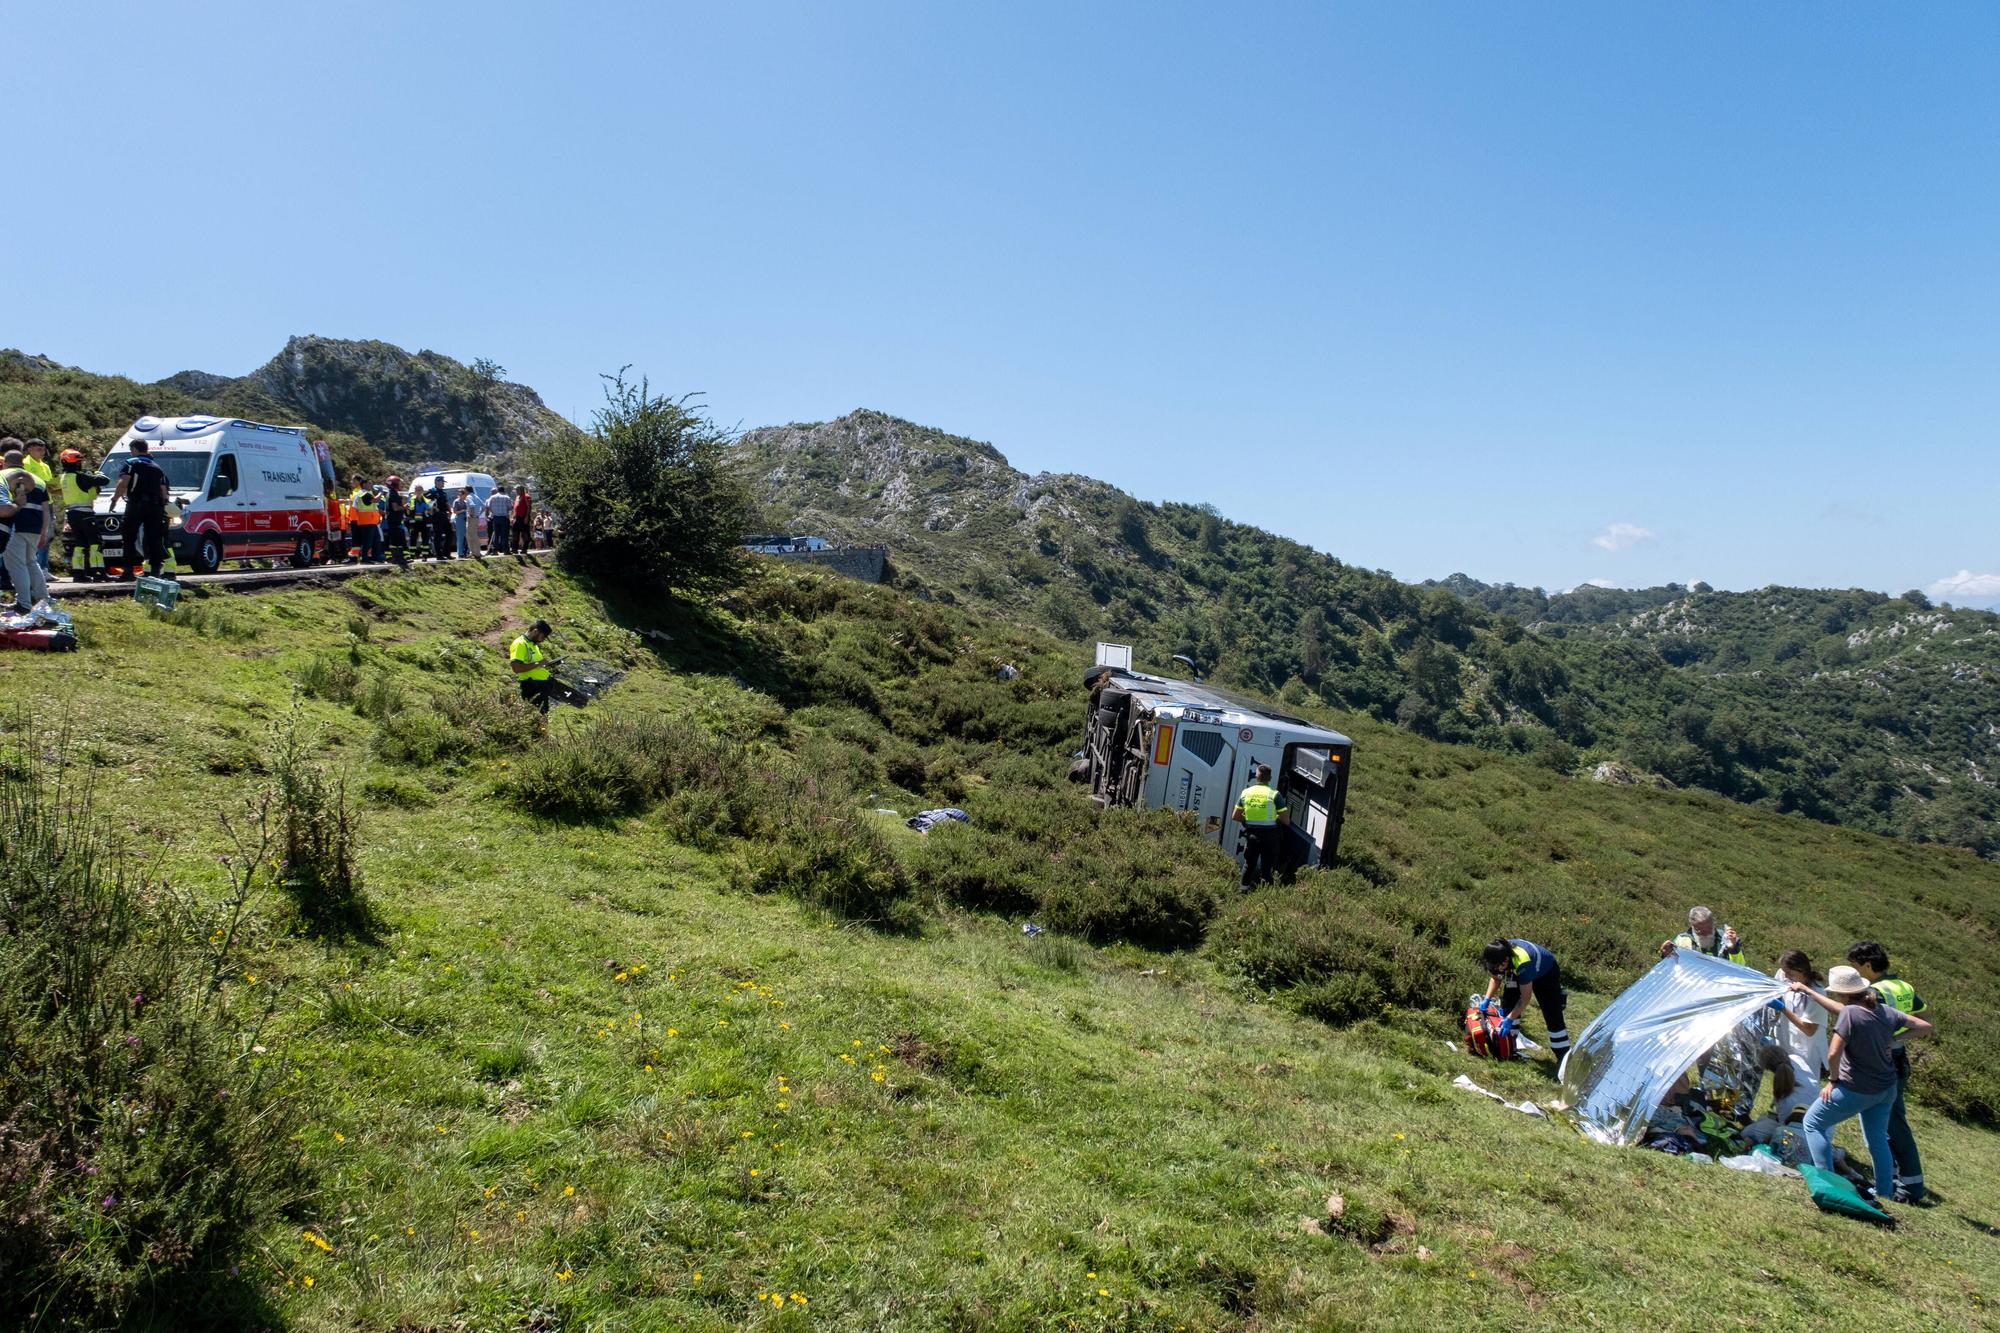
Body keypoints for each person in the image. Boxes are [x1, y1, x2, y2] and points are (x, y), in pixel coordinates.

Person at [1791, 964, 1933, 1205]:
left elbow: (1834, 1053)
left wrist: (1833, 1080)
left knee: (1813, 1123)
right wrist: (1895, 1038)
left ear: (1842, 993)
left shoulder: (1850, 1014)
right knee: (1877, 1140)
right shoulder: (1884, 1010)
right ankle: (1885, 1193)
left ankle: (1828, 1182)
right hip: (1887, 1088)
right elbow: (1925, 1026)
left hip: (1856, 1088)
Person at [1849, 941, 1930, 1204]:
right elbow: (1924, 1019)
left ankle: (1909, 1187)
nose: (1855, 972)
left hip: (1882, 1062)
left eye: (1855, 966)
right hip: (1898, 1057)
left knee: (1890, 1123)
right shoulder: (1904, 986)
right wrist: (1898, 1038)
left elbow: (1867, 1024)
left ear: (1868, 965)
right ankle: (1894, 1179)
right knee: (1890, 1121)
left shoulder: (1875, 991)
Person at [1478, 937, 1570, 1061]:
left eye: (1500, 966)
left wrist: (1510, 1019)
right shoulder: (1495, 956)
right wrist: (1487, 999)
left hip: (1545, 972)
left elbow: (1525, 998)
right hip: (1516, 969)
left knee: (1552, 1013)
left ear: (1506, 959)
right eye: (1495, 967)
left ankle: (1563, 1056)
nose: (1498, 969)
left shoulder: (1522, 962)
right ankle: (1510, 1047)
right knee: (1509, 1003)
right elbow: (1496, 978)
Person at [1771, 949, 1829, 1122]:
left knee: (1804, 1086)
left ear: (1801, 970)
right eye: (1784, 972)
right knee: (1783, 1079)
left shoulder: (1818, 993)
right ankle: (1779, 1115)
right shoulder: (1784, 975)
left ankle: (1801, 1122)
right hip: (1786, 1039)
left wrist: (1782, 1008)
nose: (1785, 976)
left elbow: (1809, 1029)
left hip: (1807, 1048)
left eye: (1789, 973)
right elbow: (1775, 986)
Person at [110, 437, 171, 578]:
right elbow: (163, 489)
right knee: (154, 538)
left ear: (134, 449)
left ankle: (128, 571)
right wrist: (163, 506)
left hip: (136, 504)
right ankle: (155, 571)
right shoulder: (157, 467)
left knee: (129, 537)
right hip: (155, 506)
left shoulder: (131, 463)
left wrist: (115, 499)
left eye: (131, 450)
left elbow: (123, 483)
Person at [1230, 763, 1289, 889]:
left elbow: (1235, 816)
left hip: (1252, 836)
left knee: (1249, 865)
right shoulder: (1274, 795)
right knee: (1266, 868)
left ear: (1256, 777)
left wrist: (1247, 820)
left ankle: (1243, 891)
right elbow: (1286, 821)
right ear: (1270, 778)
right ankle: (1265, 894)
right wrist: (1276, 818)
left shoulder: (1246, 793)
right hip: (1270, 837)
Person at [57, 448, 110, 580]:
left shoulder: (64, 477)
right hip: (85, 513)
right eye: (79, 462)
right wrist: (98, 473)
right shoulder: (80, 477)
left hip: (72, 514)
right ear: (76, 463)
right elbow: (104, 480)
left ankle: (78, 573)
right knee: (95, 542)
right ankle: (98, 572)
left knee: (79, 543)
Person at [1659, 906, 1745, 963]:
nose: (1707, 934)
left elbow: (1740, 968)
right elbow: (1673, 967)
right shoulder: (1682, 941)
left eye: (1709, 929)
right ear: (1693, 926)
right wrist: (1666, 956)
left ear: (1713, 923)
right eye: (1701, 931)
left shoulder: (1727, 939)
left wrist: (1733, 949)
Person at [19, 440, 56, 573]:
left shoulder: (45, 466)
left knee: (47, 536)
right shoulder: (25, 464)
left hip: (47, 502)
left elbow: (49, 485)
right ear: (29, 449)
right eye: (38, 449)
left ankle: (44, 568)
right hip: (33, 503)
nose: (42, 452)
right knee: (34, 535)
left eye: (43, 449)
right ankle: (35, 568)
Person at [509, 618, 555, 715]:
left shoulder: (533, 645)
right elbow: (516, 668)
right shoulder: (520, 644)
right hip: (531, 686)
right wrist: (538, 663)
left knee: (543, 715)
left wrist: (545, 665)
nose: (542, 640)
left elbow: (535, 665)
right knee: (538, 716)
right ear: (535, 631)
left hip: (541, 685)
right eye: (542, 637)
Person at [349, 481, 384, 562]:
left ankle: (375, 557)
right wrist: (380, 493)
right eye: (369, 483)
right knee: (367, 542)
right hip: (366, 521)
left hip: (371, 521)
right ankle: (365, 558)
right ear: (364, 484)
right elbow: (376, 500)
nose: (371, 485)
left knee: (375, 540)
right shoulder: (364, 494)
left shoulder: (366, 494)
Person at [382, 476, 409, 566]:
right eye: (399, 483)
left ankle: (400, 558)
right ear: (394, 484)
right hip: (394, 521)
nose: (401, 485)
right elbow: (395, 508)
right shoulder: (393, 494)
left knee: (399, 540)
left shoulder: (392, 493)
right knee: (396, 541)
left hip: (395, 521)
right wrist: (404, 507)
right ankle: (396, 558)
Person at [429, 476, 452, 559]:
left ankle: (446, 553)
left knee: (450, 533)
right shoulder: (432, 491)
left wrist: (450, 511)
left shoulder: (443, 492)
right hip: (436, 516)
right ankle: (439, 555)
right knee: (438, 535)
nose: (443, 484)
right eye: (442, 482)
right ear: (437, 482)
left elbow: (446, 502)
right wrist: (434, 508)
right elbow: (428, 503)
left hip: (444, 515)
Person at [486, 485, 512, 556]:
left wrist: (494, 512)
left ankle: (495, 551)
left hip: (495, 518)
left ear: (498, 490)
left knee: (496, 534)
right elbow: (510, 507)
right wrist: (506, 510)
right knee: (504, 535)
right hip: (504, 518)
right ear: (504, 491)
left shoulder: (492, 497)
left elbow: (488, 507)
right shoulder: (507, 497)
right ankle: (506, 550)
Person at [511, 485, 532, 554]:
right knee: (515, 533)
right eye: (516, 490)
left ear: (521, 490)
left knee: (525, 534)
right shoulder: (517, 497)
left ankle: (524, 549)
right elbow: (515, 508)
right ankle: (514, 549)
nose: (516, 491)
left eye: (517, 490)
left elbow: (529, 507)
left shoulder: (526, 496)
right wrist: (513, 517)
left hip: (523, 518)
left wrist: (526, 517)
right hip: (517, 518)